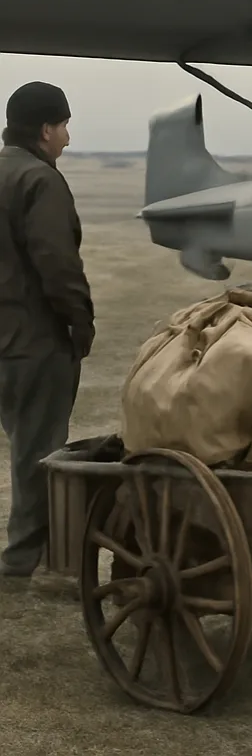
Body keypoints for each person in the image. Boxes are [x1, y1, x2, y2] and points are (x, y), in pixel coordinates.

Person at [0, 81, 94, 580]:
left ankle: (45, 549)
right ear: (44, 129)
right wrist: (80, 320)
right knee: (40, 453)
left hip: (4, 341)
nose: (67, 138)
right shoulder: (40, 180)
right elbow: (56, 263)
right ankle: (22, 562)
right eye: (63, 126)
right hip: (36, 341)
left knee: (24, 446)